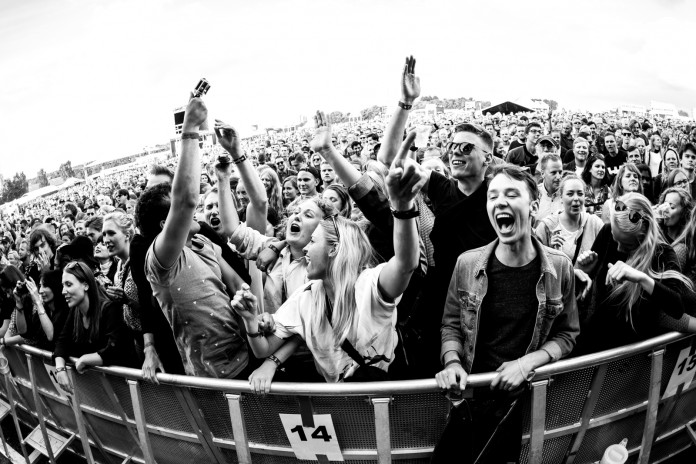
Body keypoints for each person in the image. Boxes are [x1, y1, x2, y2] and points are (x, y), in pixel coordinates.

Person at [230, 130, 422, 387]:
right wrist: (251, 319)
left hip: (383, 402)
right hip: (338, 406)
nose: (305, 250)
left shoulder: (368, 287)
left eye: (312, 242)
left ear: (334, 249)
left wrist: (403, 206)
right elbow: (263, 349)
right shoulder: (306, 297)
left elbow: (407, 263)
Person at [434, 164, 579, 463]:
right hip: (470, 402)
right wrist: (451, 362)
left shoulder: (560, 267)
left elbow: (568, 334)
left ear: (534, 206)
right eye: (493, 196)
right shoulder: (467, 264)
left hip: (523, 406)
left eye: (512, 194)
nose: (499, 201)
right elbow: (451, 324)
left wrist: (527, 363)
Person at [141, 96, 249, 379]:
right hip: (213, 379)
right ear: (168, 225)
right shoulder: (161, 262)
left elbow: (237, 284)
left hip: (249, 356)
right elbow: (186, 199)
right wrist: (189, 130)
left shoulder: (203, 244)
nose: (198, 208)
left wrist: (253, 316)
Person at [575, 193, 696, 354]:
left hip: (632, 353)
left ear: (641, 237)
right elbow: (588, 291)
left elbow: (676, 307)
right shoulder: (607, 232)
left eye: (626, 244)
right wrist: (584, 271)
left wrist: (642, 279)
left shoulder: (662, 254)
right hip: (596, 342)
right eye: (615, 238)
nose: (617, 248)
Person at [53, 261, 138, 393]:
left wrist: (85, 359)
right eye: (63, 285)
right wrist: (60, 369)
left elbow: (116, 349)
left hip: (128, 388)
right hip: (103, 390)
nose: (64, 291)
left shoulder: (109, 309)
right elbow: (62, 342)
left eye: (69, 285)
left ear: (85, 285)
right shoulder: (75, 313)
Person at [535, 175, 604, 264]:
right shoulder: (547, 226)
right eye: (570, 194)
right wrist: (549, 251)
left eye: (580, 193)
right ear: (561, 197)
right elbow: (535, 262)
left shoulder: (594, 223)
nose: (576, 198)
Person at [2, 269, 69, 350]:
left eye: (45, 286)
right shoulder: (44, 309)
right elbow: (24, 333)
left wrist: (37, 301)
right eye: (40, 286)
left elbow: (51, 336)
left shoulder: (66, 310)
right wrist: (18, 302)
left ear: (55, 286)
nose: (40, 291)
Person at [535, 153, 564, 221]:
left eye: (560, 172)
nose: (558, 177)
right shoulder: (533, 195)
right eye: (553, 173)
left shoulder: (568, 194)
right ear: (542, 173)